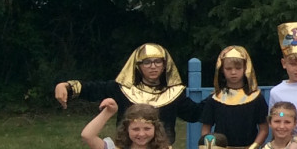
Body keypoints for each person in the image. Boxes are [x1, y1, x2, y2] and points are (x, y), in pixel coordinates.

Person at [55, 43, 202, 137]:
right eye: (147, 62)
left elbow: (195, 114)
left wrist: (216, 96)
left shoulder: (174, 94)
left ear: (165, 65)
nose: (153, 66)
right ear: (138, 66)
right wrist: (66, 86)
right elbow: (92, 89)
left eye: (158, 61)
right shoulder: (122, 89)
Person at [198, 45, 269, 149]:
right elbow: (206, 130)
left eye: (238, 68)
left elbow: (264, 130)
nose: (233, 72)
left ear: (246, 69)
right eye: (228, 68)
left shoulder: (256, 98)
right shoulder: (214, 98)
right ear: (221, 70)